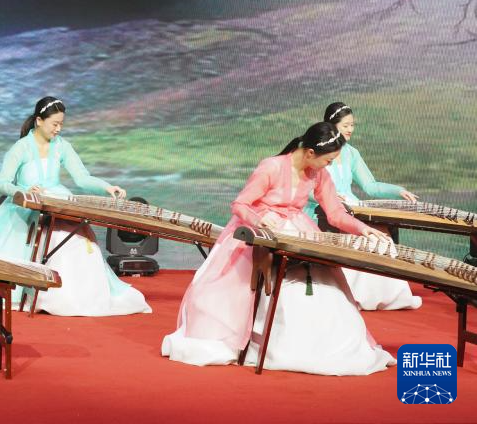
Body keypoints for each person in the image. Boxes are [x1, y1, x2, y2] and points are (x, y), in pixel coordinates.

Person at [162, 122, 395, 375]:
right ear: (310, 153)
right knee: (243, 290)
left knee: (325, 282)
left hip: (297, 229)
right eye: (327, 161)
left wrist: (362, 229)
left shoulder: (317, 174)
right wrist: (258, 219)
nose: (328, 166)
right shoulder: (271, 167)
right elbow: (240, 204)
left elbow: (335, 213)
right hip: (260, 230)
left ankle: (317, 346)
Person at [0, 97, 151, 316]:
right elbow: (1, 183)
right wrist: (23, 191)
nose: (58, 129)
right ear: (39, 121)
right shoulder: (21, 148)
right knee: (38, 236)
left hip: (57, 199)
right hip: (25, 205)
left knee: (76, 236)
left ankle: (77, 297)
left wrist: (107, 187)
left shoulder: (62, 146)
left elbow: (82, 178)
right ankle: (35, 292)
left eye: (61, 124)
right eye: (55, 124)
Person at [305, 102, 421, 310]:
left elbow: (370, 186)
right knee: (360, 237)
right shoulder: (317, 150)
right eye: (346, 125)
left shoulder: (351, 153)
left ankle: (389, 296)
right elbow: (304, 188)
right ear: (332, 126)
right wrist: (327, 197)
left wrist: (398, 190)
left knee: (382, 236)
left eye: (352, 125)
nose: (350, 129)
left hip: (351, 208)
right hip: (321, 211)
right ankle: (353, 295)